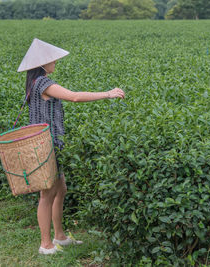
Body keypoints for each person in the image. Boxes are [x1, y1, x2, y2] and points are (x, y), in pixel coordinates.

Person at [17, 38, 125, 255]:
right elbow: (74, 97)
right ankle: (45, 245)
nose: (55, 61)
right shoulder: (43, 84)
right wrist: (108, 94)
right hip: (46, 144)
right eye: (51, 59)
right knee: (47, 195)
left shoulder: (36, 83)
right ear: (41, 64)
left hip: (51, 143)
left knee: (61, 189)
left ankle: (60, 236)